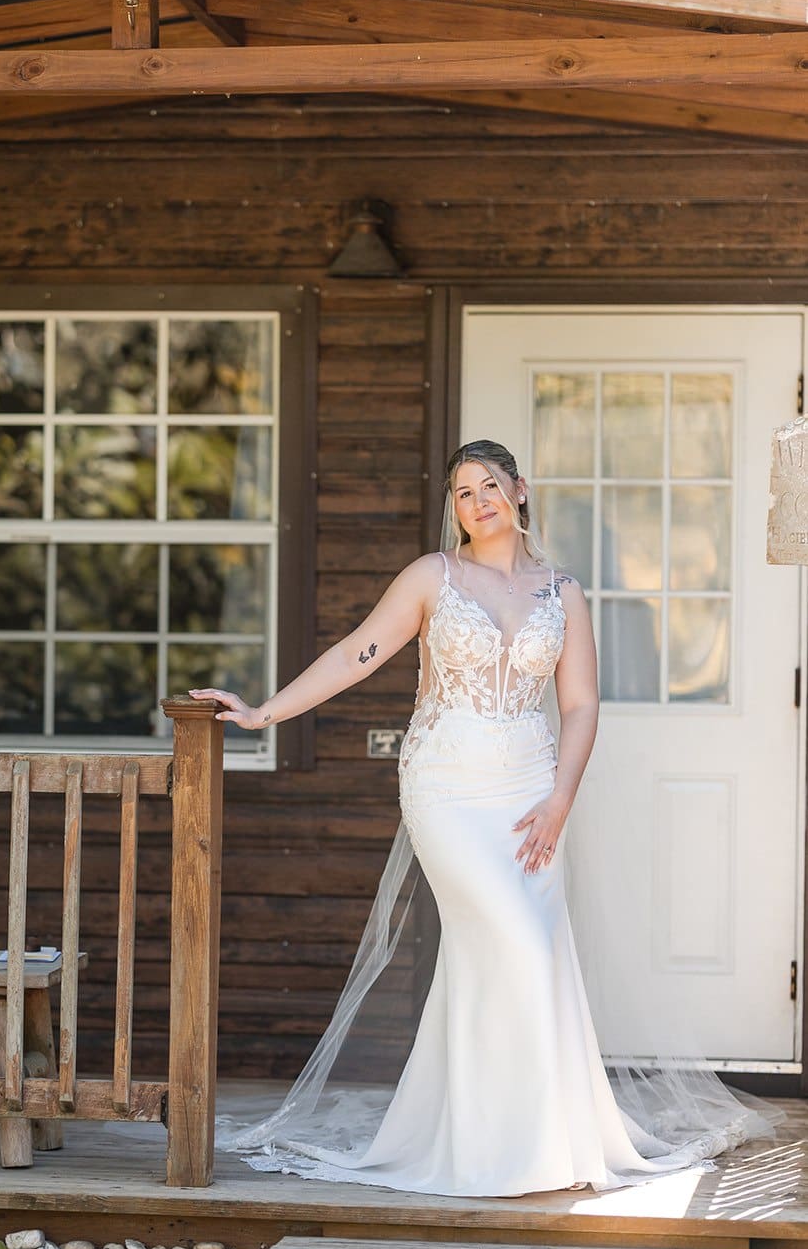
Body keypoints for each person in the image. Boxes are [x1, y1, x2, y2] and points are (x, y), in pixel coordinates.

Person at [187, 439, 781, 1198]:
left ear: (519, 491)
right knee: (517, 946)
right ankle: (509, 1148)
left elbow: (579, 703)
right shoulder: (433, 577)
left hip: (530, 790)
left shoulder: (560, 590)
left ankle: (518, 1136)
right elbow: (355, 655)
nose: (477, 502)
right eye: (462, 493)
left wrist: (560, 799)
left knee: (502, 959)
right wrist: (265, 711)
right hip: (445, 788)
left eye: (489, 485)